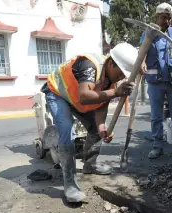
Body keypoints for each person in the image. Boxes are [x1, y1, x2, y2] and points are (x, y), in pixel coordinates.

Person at [40, 43, 139, 203]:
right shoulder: (90, 65)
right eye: (121, 73)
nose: (122, 77)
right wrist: (115, 92)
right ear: (112, 63)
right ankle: (70, 184)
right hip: (57, 93)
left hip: (75, 98)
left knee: (94, 128)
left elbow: (101, 107)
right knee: (66, 129)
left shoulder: (111, 81)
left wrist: (101, 128)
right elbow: (85, 96)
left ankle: (90, 165)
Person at [140, 2, 172, 161]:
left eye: (169, 18)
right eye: (164, 17)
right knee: (156, 117)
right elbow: (142, 51)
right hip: (155, 83)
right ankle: (157, 146)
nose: (167, 21)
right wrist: (142, 62)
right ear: (157, 16)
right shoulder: (149, 33)